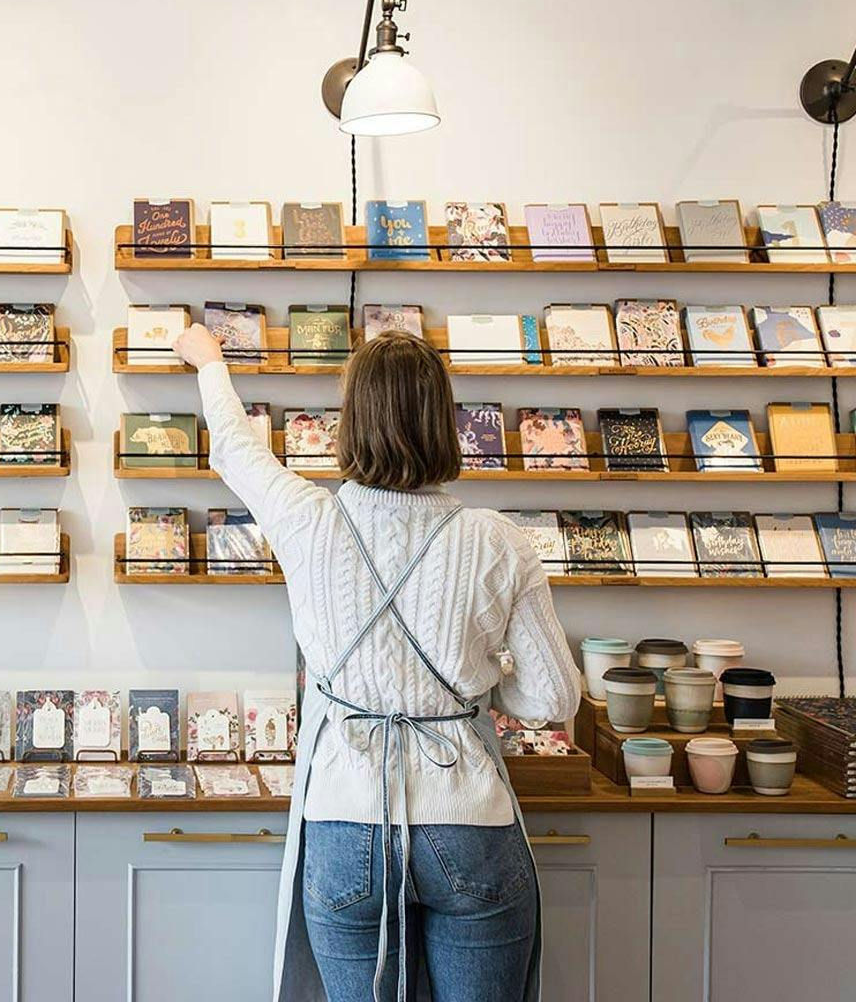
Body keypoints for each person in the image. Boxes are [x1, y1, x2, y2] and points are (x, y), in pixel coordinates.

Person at [172, 323, 580, 1002]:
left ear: (349, 423)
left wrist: (211, 361)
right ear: (442, 424)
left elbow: (236, 449)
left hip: (344, 819)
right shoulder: (499, 541)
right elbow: (554, 701)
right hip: (469, 821)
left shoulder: (305, 519)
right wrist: (477, 681)